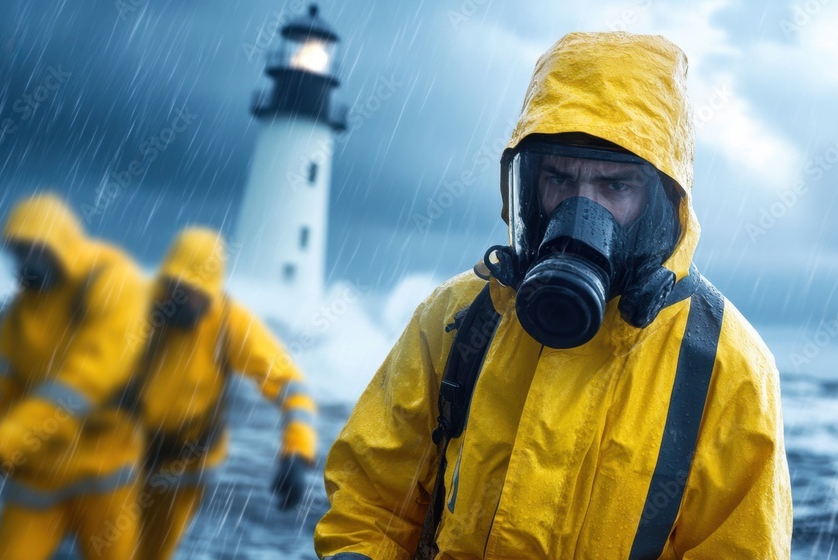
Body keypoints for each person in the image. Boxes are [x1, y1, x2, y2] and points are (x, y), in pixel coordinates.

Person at [314, 32, 792, 559]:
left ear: (660, 201)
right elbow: (371, 505)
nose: (581, 210)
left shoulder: (729, 368)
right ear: (528, 187)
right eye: (560, 179)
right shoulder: (457, 316)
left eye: (615, 187)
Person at [0, 192, 150, 559]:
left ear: (59, 246)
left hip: (105, 474)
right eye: (16, 251)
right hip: (37, 473)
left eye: (33, 250)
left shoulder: (114, 282)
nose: (23, 261)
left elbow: (86, 384)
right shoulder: (23, 309)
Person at [132, 227, 318, 560]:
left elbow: (290, 384)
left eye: (196, 291)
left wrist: (297, 453)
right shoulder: (134, 307)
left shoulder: (228, 322)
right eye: (178, 288)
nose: (187, 299)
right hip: (121, 456)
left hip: (185, 468)